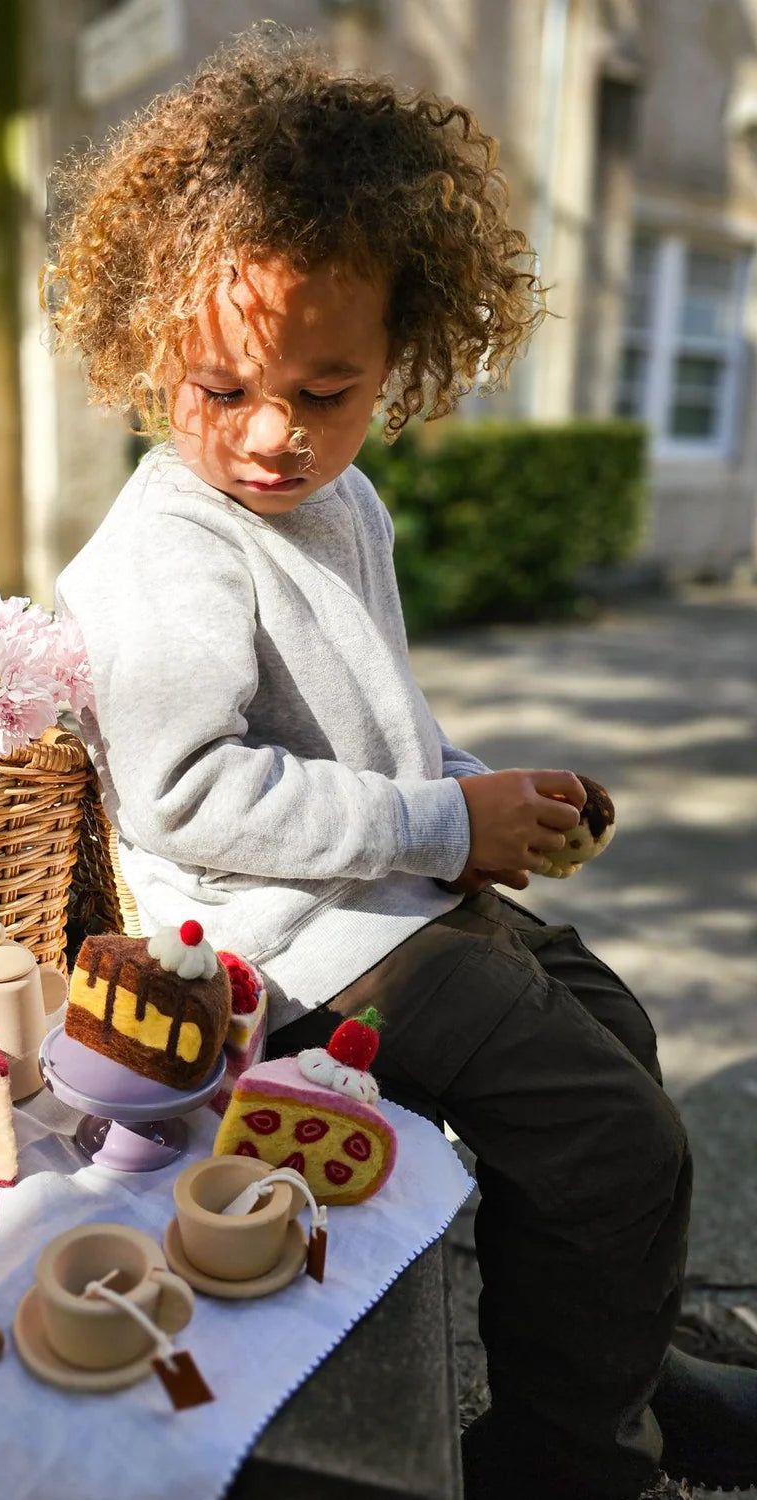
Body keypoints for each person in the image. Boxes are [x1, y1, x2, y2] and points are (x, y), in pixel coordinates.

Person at [47, 32, 757, 1500]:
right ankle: (568, 1460)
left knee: (616, 1041)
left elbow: (375, 726)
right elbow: (189, 801)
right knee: (614, 1142)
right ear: (148, 340)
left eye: (326, 389)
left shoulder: (343, 504)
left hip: (381, 891)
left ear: (403, 360)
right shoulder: (165, 555)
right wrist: (447, 821)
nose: (270, 435)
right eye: (222, 386)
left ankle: (616, 1363)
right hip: (268, 943)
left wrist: (494, 792)